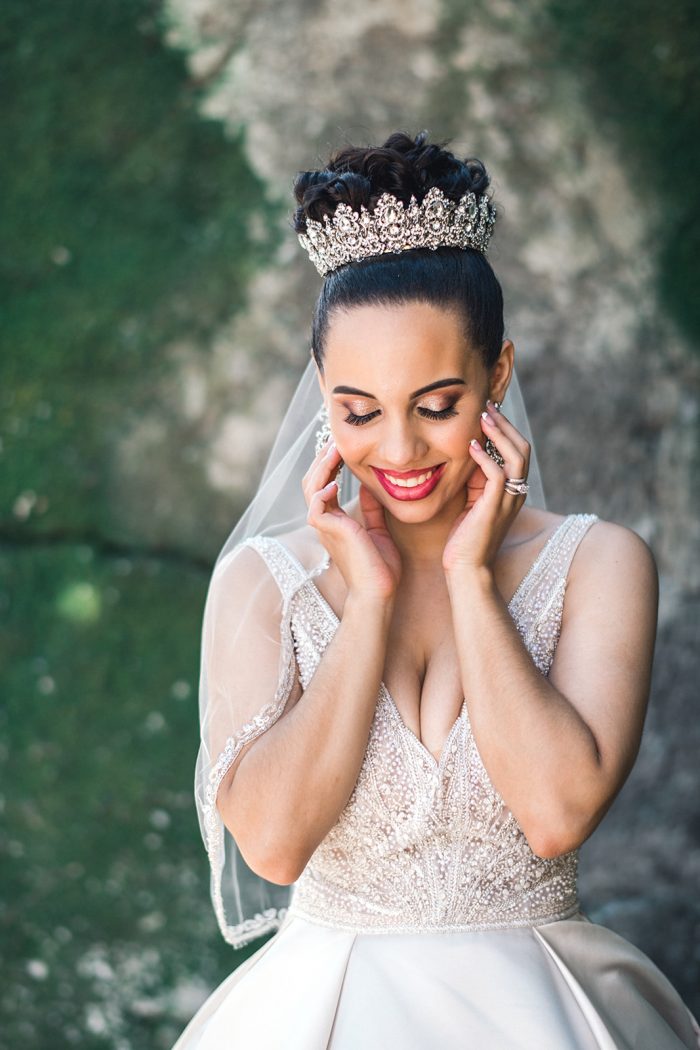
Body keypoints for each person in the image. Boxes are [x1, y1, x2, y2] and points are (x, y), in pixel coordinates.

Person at [171, 130, 700, 1048]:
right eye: (359, 411)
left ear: (497, 373)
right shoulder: (263, 581)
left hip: (541, 1010)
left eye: (438, 403)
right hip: (320, 1013)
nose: (402, 452)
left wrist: (469, 577)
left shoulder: (602, 564)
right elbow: (274, 845)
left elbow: (555, 814)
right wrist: (368, 601)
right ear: (322, 395)